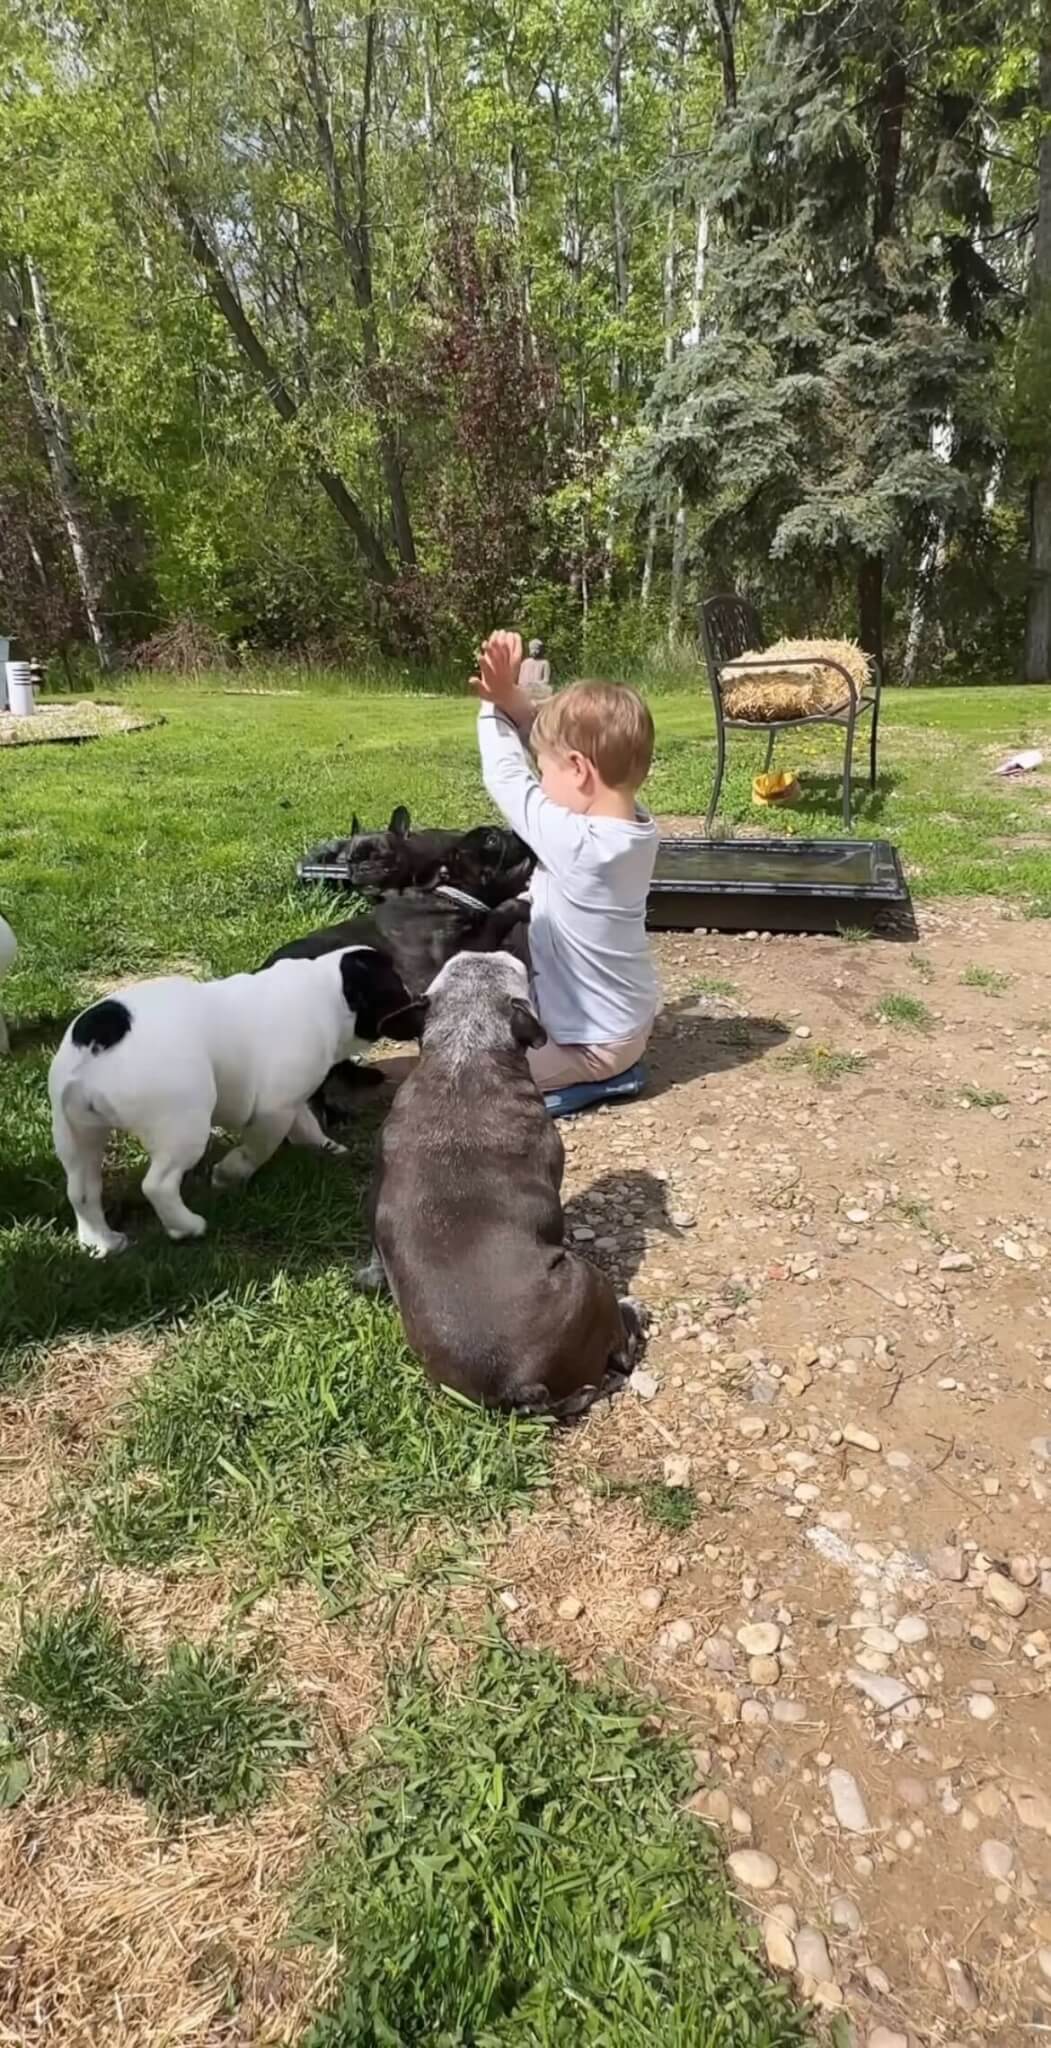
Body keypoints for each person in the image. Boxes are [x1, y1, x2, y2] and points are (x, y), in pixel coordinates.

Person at [471, 628, 659, 1097]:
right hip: (622, 1024)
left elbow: (505, 776)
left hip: (590, 1046)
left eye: (547, 767)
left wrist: (492, 704)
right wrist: (515, 698)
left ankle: (602, 1081)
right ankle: (610, 1069)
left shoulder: (576, 845)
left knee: (461, 1076)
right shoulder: (633, 829)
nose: (541, 776)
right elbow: (548, 752)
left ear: (578, 770)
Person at [518, 637, 552, 703]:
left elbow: (546, 680)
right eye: (532, 649)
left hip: (538, 689)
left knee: (548, 689)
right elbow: (520, 681)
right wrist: (526, 685)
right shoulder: (525, 663)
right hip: (525, 689)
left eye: (537, 649)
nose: (534, 651)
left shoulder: (544, 663)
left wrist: (535, 683)